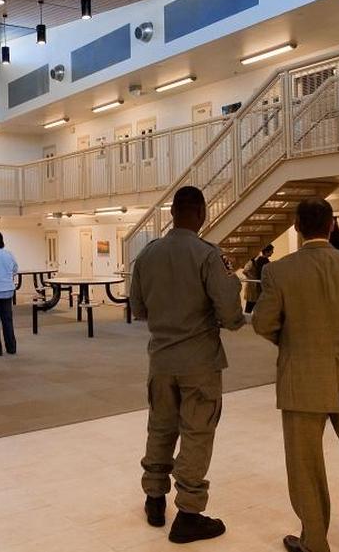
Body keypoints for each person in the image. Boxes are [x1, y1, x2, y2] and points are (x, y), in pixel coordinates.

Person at [251, 197, 339, 552]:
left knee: (305, 467)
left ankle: (314, 542)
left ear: (297, 227)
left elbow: (263, 323)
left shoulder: (279, 272)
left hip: (301, 379)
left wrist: (293, 344)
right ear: (331, 225)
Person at [128, 186, 245, 544]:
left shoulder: (147, 254)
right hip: (199, 363)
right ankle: (189, 514)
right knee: (197, 433)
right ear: (201, 214)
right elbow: (231, 315)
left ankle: (154, 498)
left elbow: (138, 308)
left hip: (160, 361)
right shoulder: (209, 255)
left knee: (160, 427)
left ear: (173, 213)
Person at [242, 244, 274, 313]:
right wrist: (252, 278)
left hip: (256, 287)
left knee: (254, 305)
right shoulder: (255, 261)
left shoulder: (257, 260)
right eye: (271, 251)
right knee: (251, 305)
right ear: (267, 251)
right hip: (254, 287)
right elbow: (245, 271)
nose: (272, 252)